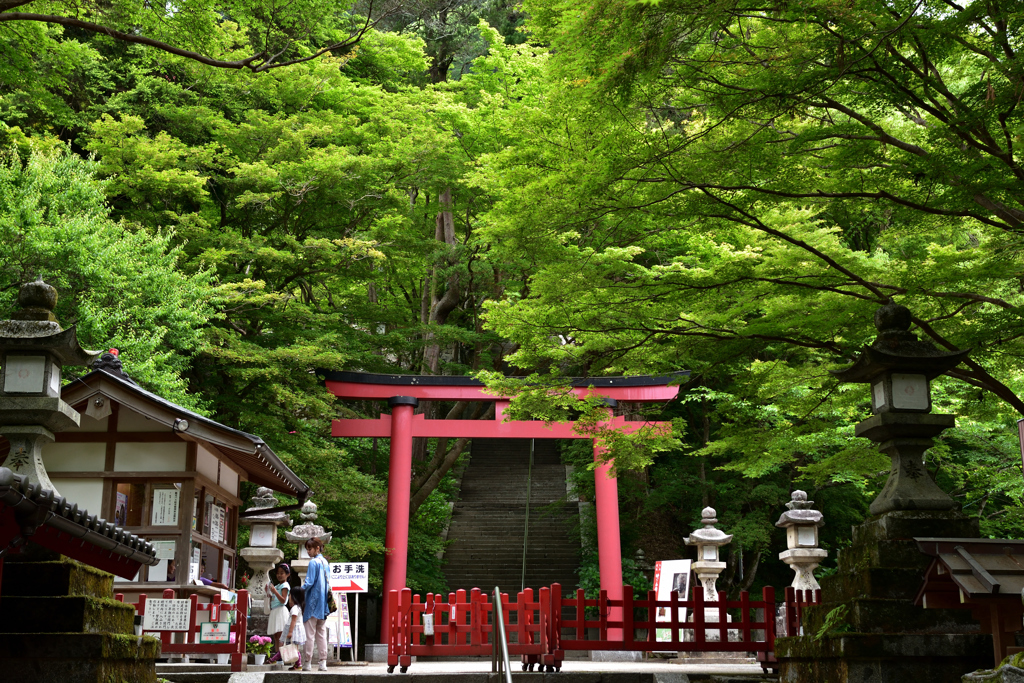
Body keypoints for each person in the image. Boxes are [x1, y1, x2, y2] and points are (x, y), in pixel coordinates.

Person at [300, 536, 331, 672]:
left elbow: (309, 582)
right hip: (323, 604)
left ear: (317, 548)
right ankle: (322, 663)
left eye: (310, 548)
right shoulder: (325, 562)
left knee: (309, 634)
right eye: (307, 549)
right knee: (321, 634)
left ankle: (307, 663)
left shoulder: (313, 563)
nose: (308, 551)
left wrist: (298, 591)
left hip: (312, 603)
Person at [266, 563, 291, 661]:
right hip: (275, 611)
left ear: (287, 574)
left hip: (280, 611)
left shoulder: (285, 585)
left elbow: (283, 600)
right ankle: (277, 656)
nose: (279, 575)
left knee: (280, 636)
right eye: (278, 573)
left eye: (282, 573)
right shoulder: (278, 585)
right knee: (276, 636)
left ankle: (281, 657)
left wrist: (275, 591)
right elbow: (273, 598)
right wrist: (268, 592)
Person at [284, 587, 307, 670]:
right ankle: (297, 664)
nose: (288, 596)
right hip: (297, 629)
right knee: (295, 648)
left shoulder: (294, 608)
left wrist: (290, 632)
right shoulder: (298, 607)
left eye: (289, 595)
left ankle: (298, 664)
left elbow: (293, 620)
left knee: (294, 648)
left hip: (295, 630)